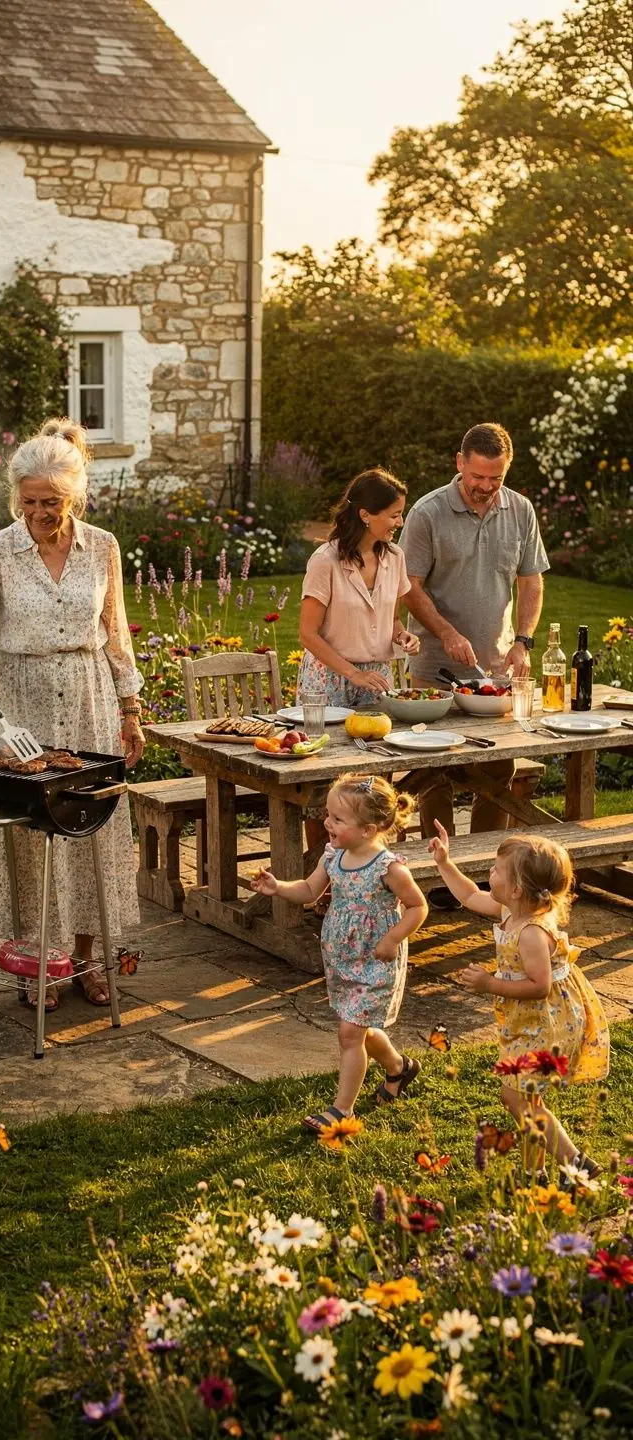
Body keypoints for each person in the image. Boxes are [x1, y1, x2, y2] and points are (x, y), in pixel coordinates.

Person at [0, 419, 144, 1011]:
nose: (40, 512)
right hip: (22, 704)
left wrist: (130, 711)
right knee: (31, 838)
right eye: (30, 501)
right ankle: (38, 964)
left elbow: (116, 635)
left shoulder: (102, 546)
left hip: (88, 697)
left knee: (89, 829)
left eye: (52, 502)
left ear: (74, 497)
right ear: (17, 498)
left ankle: (84, 960)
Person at [399, 423, 549, 859]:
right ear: (459, 462)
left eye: (495, 478)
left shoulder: (520, 510)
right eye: (478, 476)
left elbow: (531, 583)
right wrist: (445, 632)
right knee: (434, 775)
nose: (486, 487)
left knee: (497, 771)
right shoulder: (427, 513)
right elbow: (408, 586)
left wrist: (522, 642)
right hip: (434, 669)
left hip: (494, 672)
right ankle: (439, 871)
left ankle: (487, 867)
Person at [428, 824, 609, 1183]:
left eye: (495, 870)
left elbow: (540, 986)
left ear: (516, 889)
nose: (488, 874)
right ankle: (534, 1172)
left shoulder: (530, 933)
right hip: (533, 1022)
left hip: (546, 1023)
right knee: (528, 1101)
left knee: (516, 1099)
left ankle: (576, 1163)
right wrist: (444, 863)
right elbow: (467, 896)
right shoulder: (513, 912)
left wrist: (488, 983)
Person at [252, 775, 428, 1130]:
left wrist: (392, 939)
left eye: (336, 819)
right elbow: (308, 890)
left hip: (376, 960)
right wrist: (278, 887)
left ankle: (341, 1110)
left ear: (368, 829)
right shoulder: (334, 855)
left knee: (349, 1034)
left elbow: (418, 907)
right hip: (343, 959)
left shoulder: (388, 868)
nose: (325, 822)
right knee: (359, 1028)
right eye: (327, 814)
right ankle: (399, 1068)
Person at [297, 468, 420, 857]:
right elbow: (308, 634)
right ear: (366, 514)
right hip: (328, 681)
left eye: (401, 514)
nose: (399, 522)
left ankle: (372, 871)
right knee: (323, 786)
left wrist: (401, 634)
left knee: (373, 787)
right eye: (394, 515)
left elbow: (390, 617)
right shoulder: (326, 561)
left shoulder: (395, 558)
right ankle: (319, 880)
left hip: (375, 681)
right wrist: (352, 673)